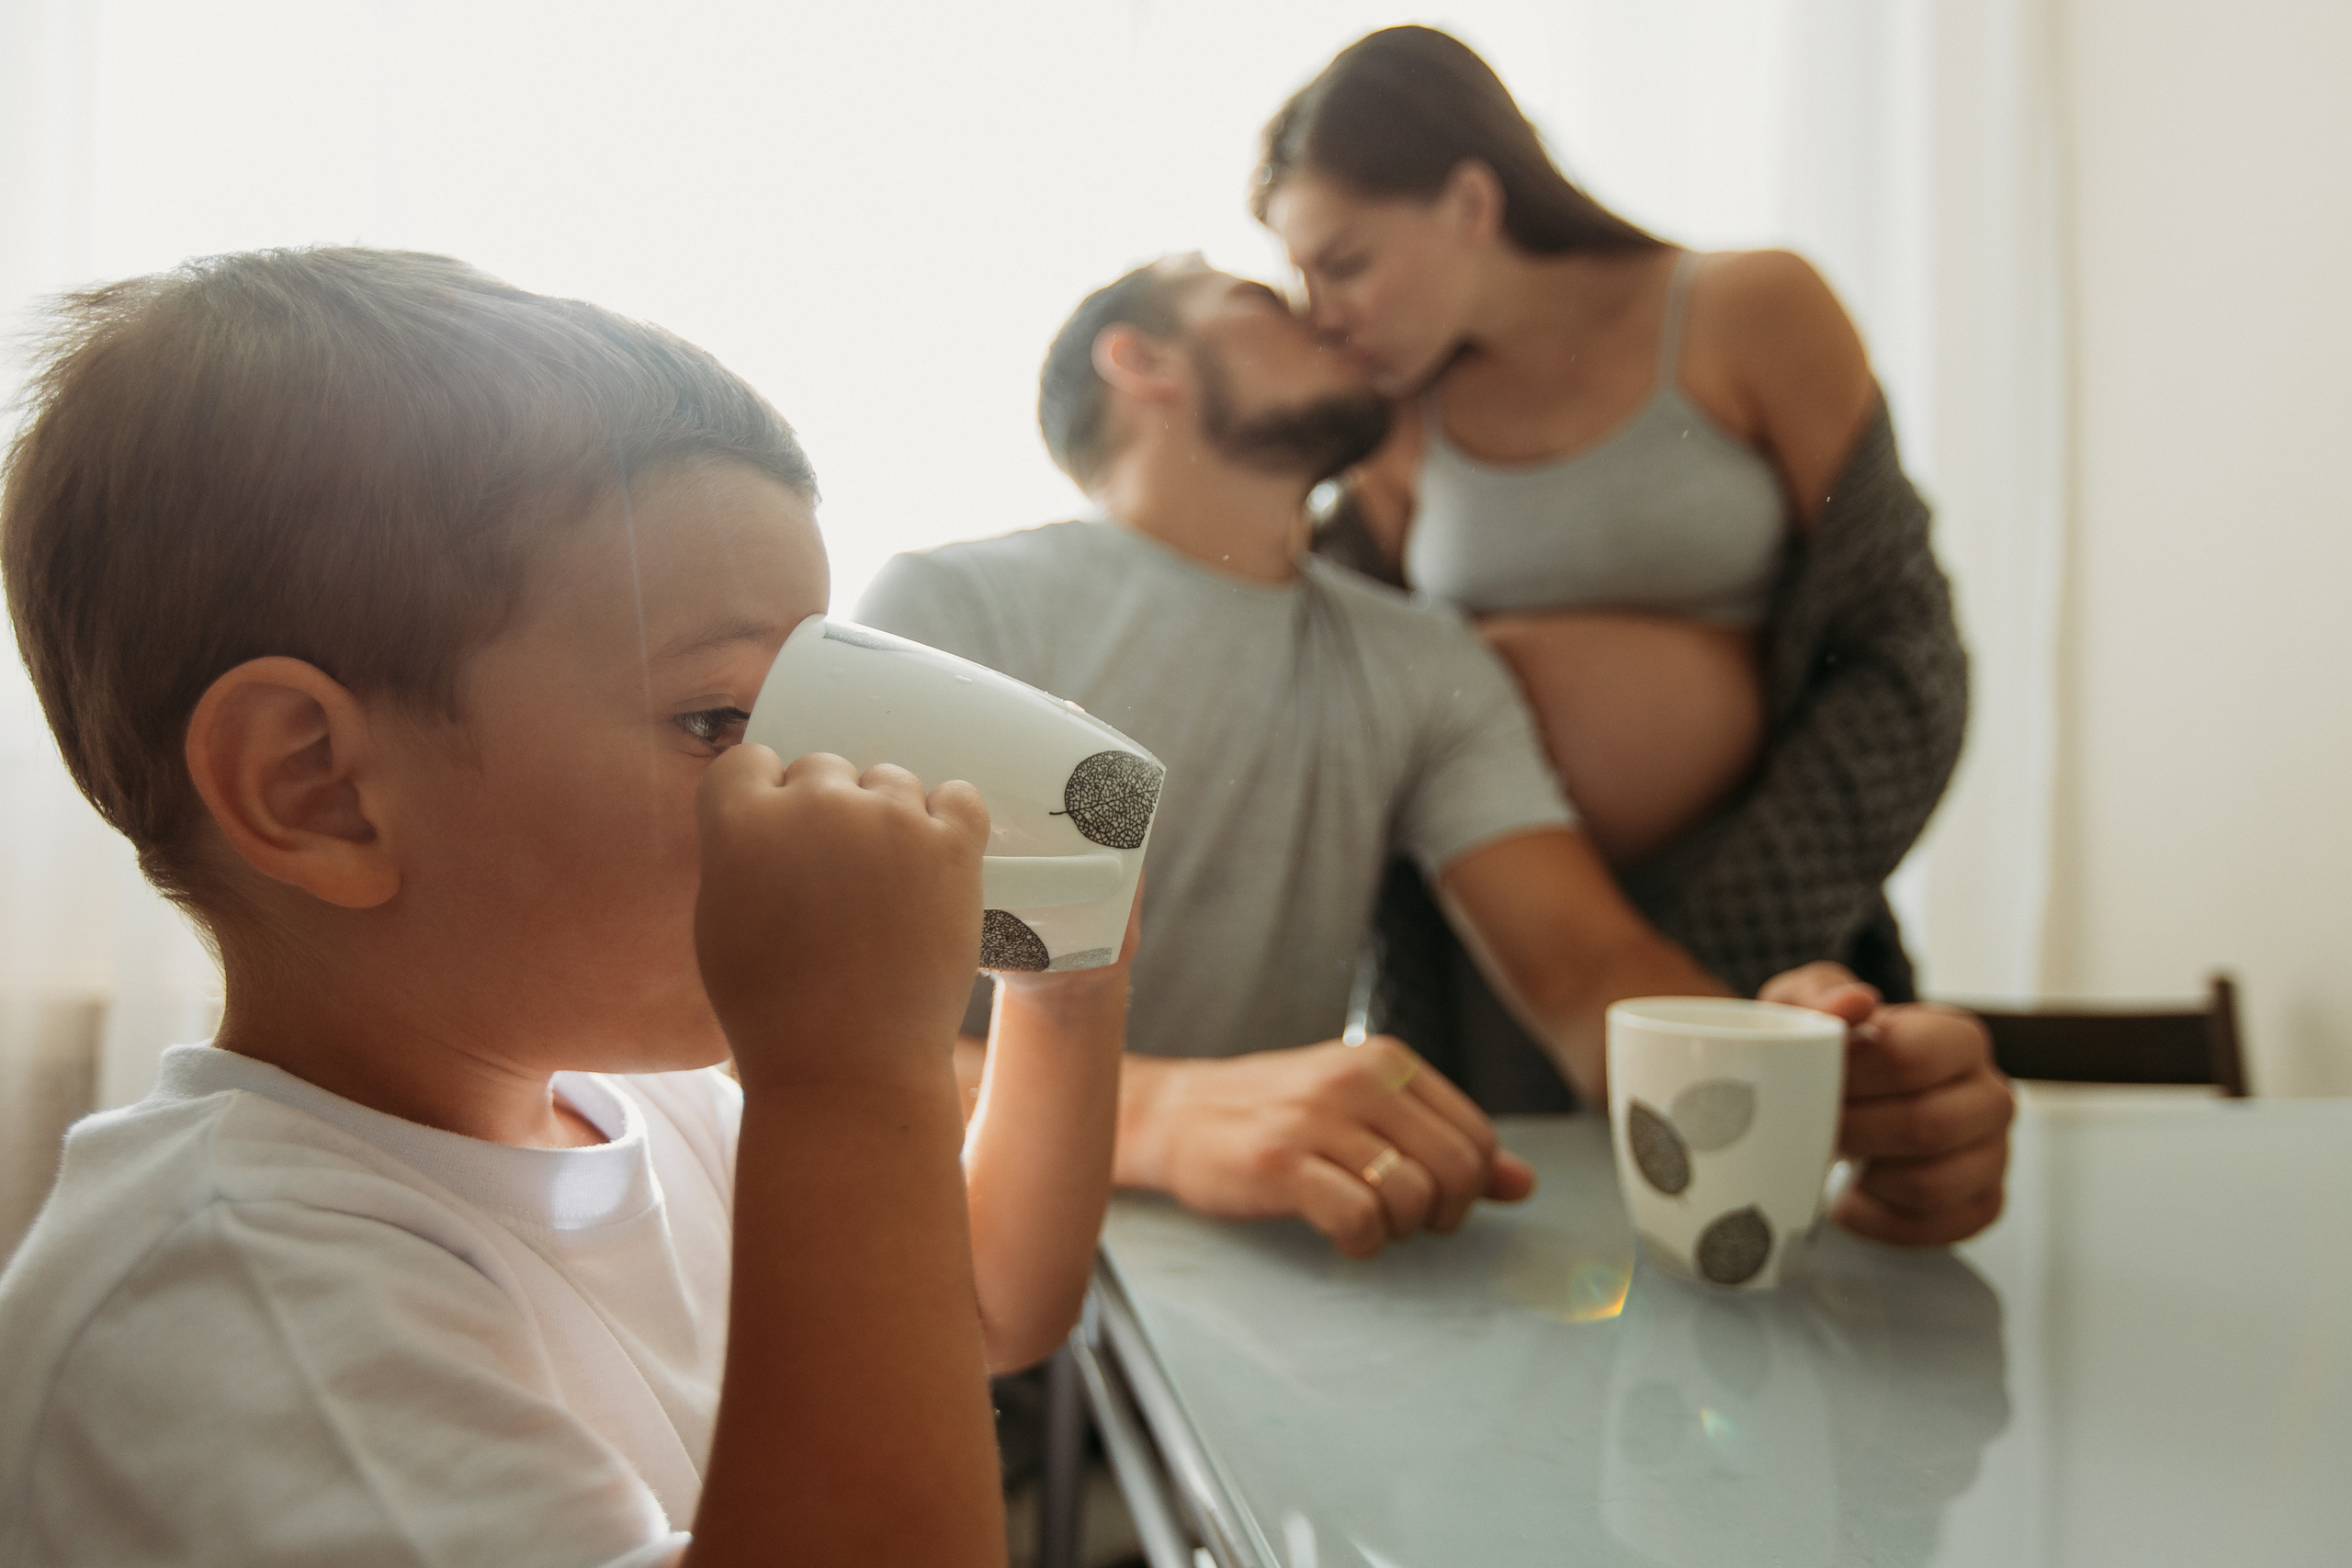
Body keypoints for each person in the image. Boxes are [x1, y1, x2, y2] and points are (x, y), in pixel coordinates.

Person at [0, 247, 1133, 1567]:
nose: (808, 777)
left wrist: (1070, 974)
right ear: (316, 787)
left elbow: (985, 1302)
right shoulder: (226, 1300)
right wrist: (848, 1076)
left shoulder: (644, 1106)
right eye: (720, 720)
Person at [856, 258, 2011, 1264]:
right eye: (1261, 296)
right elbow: (801, 1044)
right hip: (945, 1297)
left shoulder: (1420, 660)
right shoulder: (948, 609)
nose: (1330, 317)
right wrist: (1163, 1121)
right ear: (1141, 359)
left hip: (1265, 1310)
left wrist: (1818, 1079)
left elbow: (1585, 974)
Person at [1253, 26, 1967, 1093]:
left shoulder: (1752, 312)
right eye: (1298, 278)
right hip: (1491, 977)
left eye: (1344, 264)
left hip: (1774, 938)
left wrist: (1729, 936)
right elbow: (1355, 703)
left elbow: (1901, 651)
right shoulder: (1395, 428)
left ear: (1472, 203)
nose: (1323, 315)